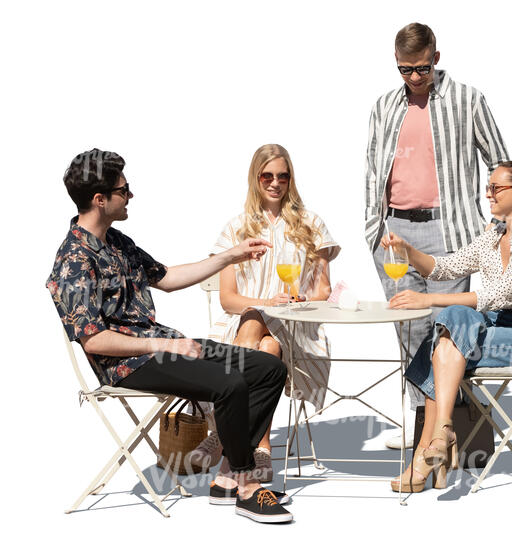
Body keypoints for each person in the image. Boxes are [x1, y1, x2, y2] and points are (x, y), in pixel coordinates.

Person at [47, 149, 294, 523]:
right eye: (124, 190)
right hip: (129, 363)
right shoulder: (73, 261)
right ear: (100, 200)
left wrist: (232, 256)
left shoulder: (118, 242)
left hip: (164, 347)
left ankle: (226, 476)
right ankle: (246, 485)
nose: (131, 195)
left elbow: (167, 278)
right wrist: (166, 344)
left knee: (267, 368)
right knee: (229, 384)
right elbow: (95, 340)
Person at [381, 161, 512, 492]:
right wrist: (406, 250)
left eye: (496, 187)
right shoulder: (494, 236)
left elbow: (497, 294)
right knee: (450, 330)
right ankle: (442, 435)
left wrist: (428, 301)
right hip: (494, 328)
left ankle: (426, 457)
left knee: (445, 338)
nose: (488, 194)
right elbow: (444, 267)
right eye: (488, 186)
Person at [364, 22, 509, 448]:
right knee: (408, 329)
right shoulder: (384, 105)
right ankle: (420, 420)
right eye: (405, 69)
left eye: (421, 68)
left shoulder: (468, 99)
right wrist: (375, 226)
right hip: (394, 233)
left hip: (451, 232)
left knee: (445, 325)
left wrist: (497, 223)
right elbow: (373, 169)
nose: (414, 78)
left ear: (436, 59)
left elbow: (500, 162)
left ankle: (444, 424)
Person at [189, 144, 340, 481]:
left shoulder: (310, 224)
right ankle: (260, 449)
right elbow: (228, 300)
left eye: (283, 176)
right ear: (255, 178)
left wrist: (297, 299)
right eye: (267, 175)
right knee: (265, 343)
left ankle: (227, 440)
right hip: (242, 326)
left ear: (291, 179)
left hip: (295, 323)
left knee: (261, 328)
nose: (275, 182)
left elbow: (323, 291)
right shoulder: (236, 228)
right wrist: (264, 305)